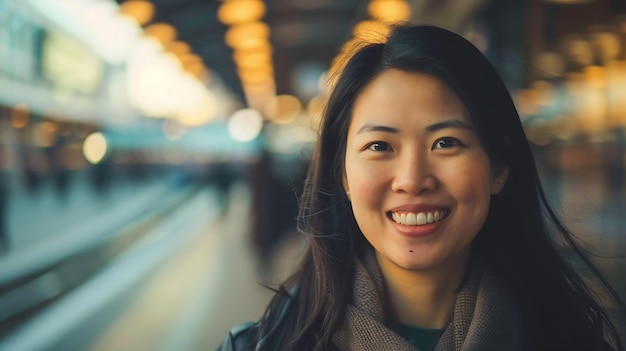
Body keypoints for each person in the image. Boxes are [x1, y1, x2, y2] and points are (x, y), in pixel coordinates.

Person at [216, 24, 625, 351]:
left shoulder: (571, 339)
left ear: (498, 167)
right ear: (342, 174)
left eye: (445, 142)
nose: (412, 179)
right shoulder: (258, 345)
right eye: (379, 146)